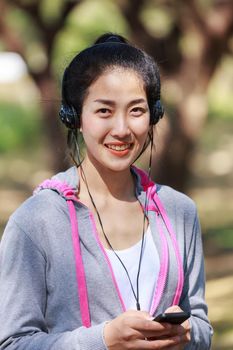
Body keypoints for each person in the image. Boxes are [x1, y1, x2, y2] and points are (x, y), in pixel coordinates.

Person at [0, 33, 212, 349]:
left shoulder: (179, 210)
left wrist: (185, 335)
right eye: (104, 111)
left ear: (154, 115)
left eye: (137, 110)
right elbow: (13, 343)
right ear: (74, 117)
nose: (123, 129)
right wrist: (103, 340)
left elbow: (202, 328)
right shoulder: (34, 222)